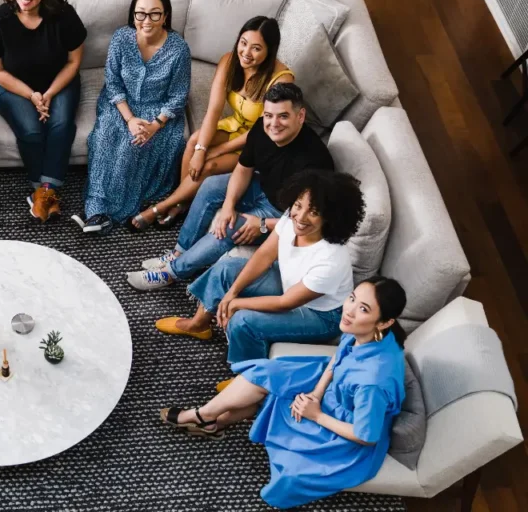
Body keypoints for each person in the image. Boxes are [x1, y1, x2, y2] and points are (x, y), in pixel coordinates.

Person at [158, 277, 408, 509]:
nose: (350, 310)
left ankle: (211, 420)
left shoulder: (373, 381)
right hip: (334, 388)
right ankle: (205, 416)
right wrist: (317, 393)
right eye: (352, 298)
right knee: (268, 374)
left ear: (385, 322)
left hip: (347, 424)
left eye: (364, 308)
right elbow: (338, 359)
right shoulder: (365, 334)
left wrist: (316, 415)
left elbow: (367, 435)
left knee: (276, 400)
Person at [127, 83, 335, 291]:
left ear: (300, 116)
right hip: (260, 186)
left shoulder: (315, 162)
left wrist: (263, 223)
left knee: (228, 229)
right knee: (211, 185)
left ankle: (171, 272)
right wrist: (229, 204)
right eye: (269, 115)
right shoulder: (262, 128)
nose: (273, 124)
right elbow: (243, 169)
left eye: (283, 116)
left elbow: (308, 219)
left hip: (280, 211)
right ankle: (180, 251)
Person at [154, 170, 365, 365]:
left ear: (330, 217)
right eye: (298, 206)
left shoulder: (331, 259)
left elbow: (284, 303)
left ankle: (248, 374)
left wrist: (235, 303)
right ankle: (198, 325)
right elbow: (264, 255)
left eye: (313, 212)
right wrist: (232, 292)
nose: (300, 217)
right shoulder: (290, 220)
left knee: (243, 320)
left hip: (320, 316)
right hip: (287, 283)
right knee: (226, 268)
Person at [132, 16, 292, 229]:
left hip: (261, 141)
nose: (245, 53)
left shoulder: (282, 79)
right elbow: (214, 110)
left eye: (256, 48)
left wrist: (216, 151)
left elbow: (264, 128)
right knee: (195, 141)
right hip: (236, 125)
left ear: (269, 51)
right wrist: (200, 149)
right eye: (243, 43)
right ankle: (182, 202)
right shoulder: (229, 60)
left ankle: (160, 207)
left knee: (209, 165)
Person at [73, 0, 189, 234]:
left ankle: (110, 215)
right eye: (140, 14)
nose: (146, 21)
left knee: (131, 147)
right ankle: (95, 209)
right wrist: (129, 119)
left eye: (154, 14)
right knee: (103, 139)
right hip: (120, 104)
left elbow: (178, 96)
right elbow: (113, 81)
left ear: (165, 16)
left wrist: (154, 125)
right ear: (133, 14)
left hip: (157, 112)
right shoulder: (121, 38)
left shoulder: (178, 49)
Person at [0, 0, 87, 222]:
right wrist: (31, 95)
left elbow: (74, 62)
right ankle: (45, 194)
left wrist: (49, 94)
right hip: (11, 84)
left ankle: (43, 193)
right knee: (31, 130)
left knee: (61, 125)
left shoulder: (64, 15)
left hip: (59, 81)